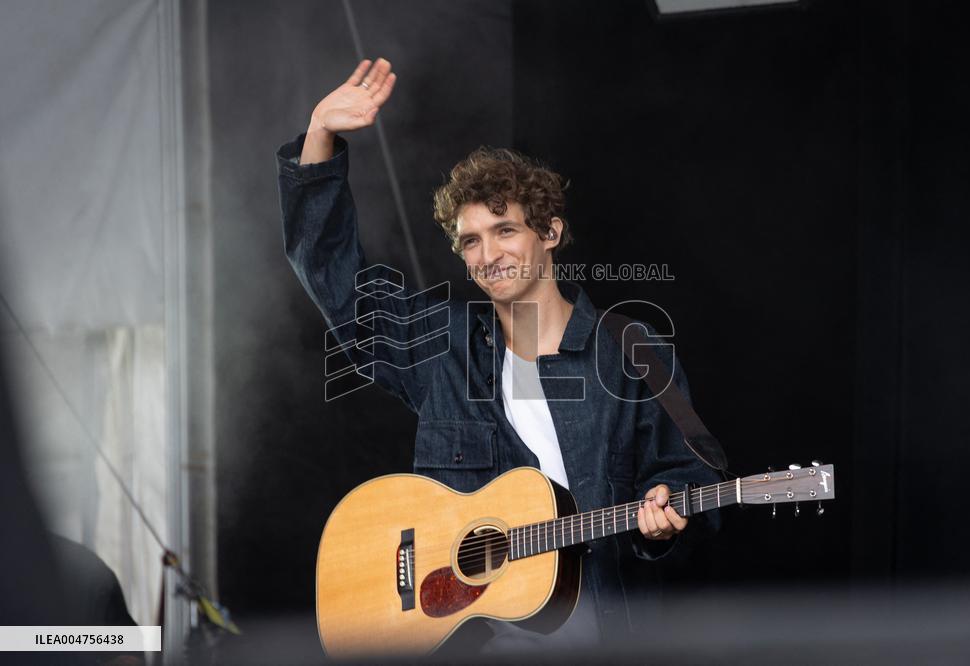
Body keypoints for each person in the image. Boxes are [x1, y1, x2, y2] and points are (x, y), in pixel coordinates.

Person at [276, 58, 721, 653]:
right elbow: (341, 290)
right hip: (466, 643)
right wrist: (319, 139)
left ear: (551, 233)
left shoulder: (632, 351)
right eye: (470, 240)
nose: (488, 253)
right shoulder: (445, 350)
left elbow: (690, 477)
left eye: (505, 230)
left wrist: (664, 524)